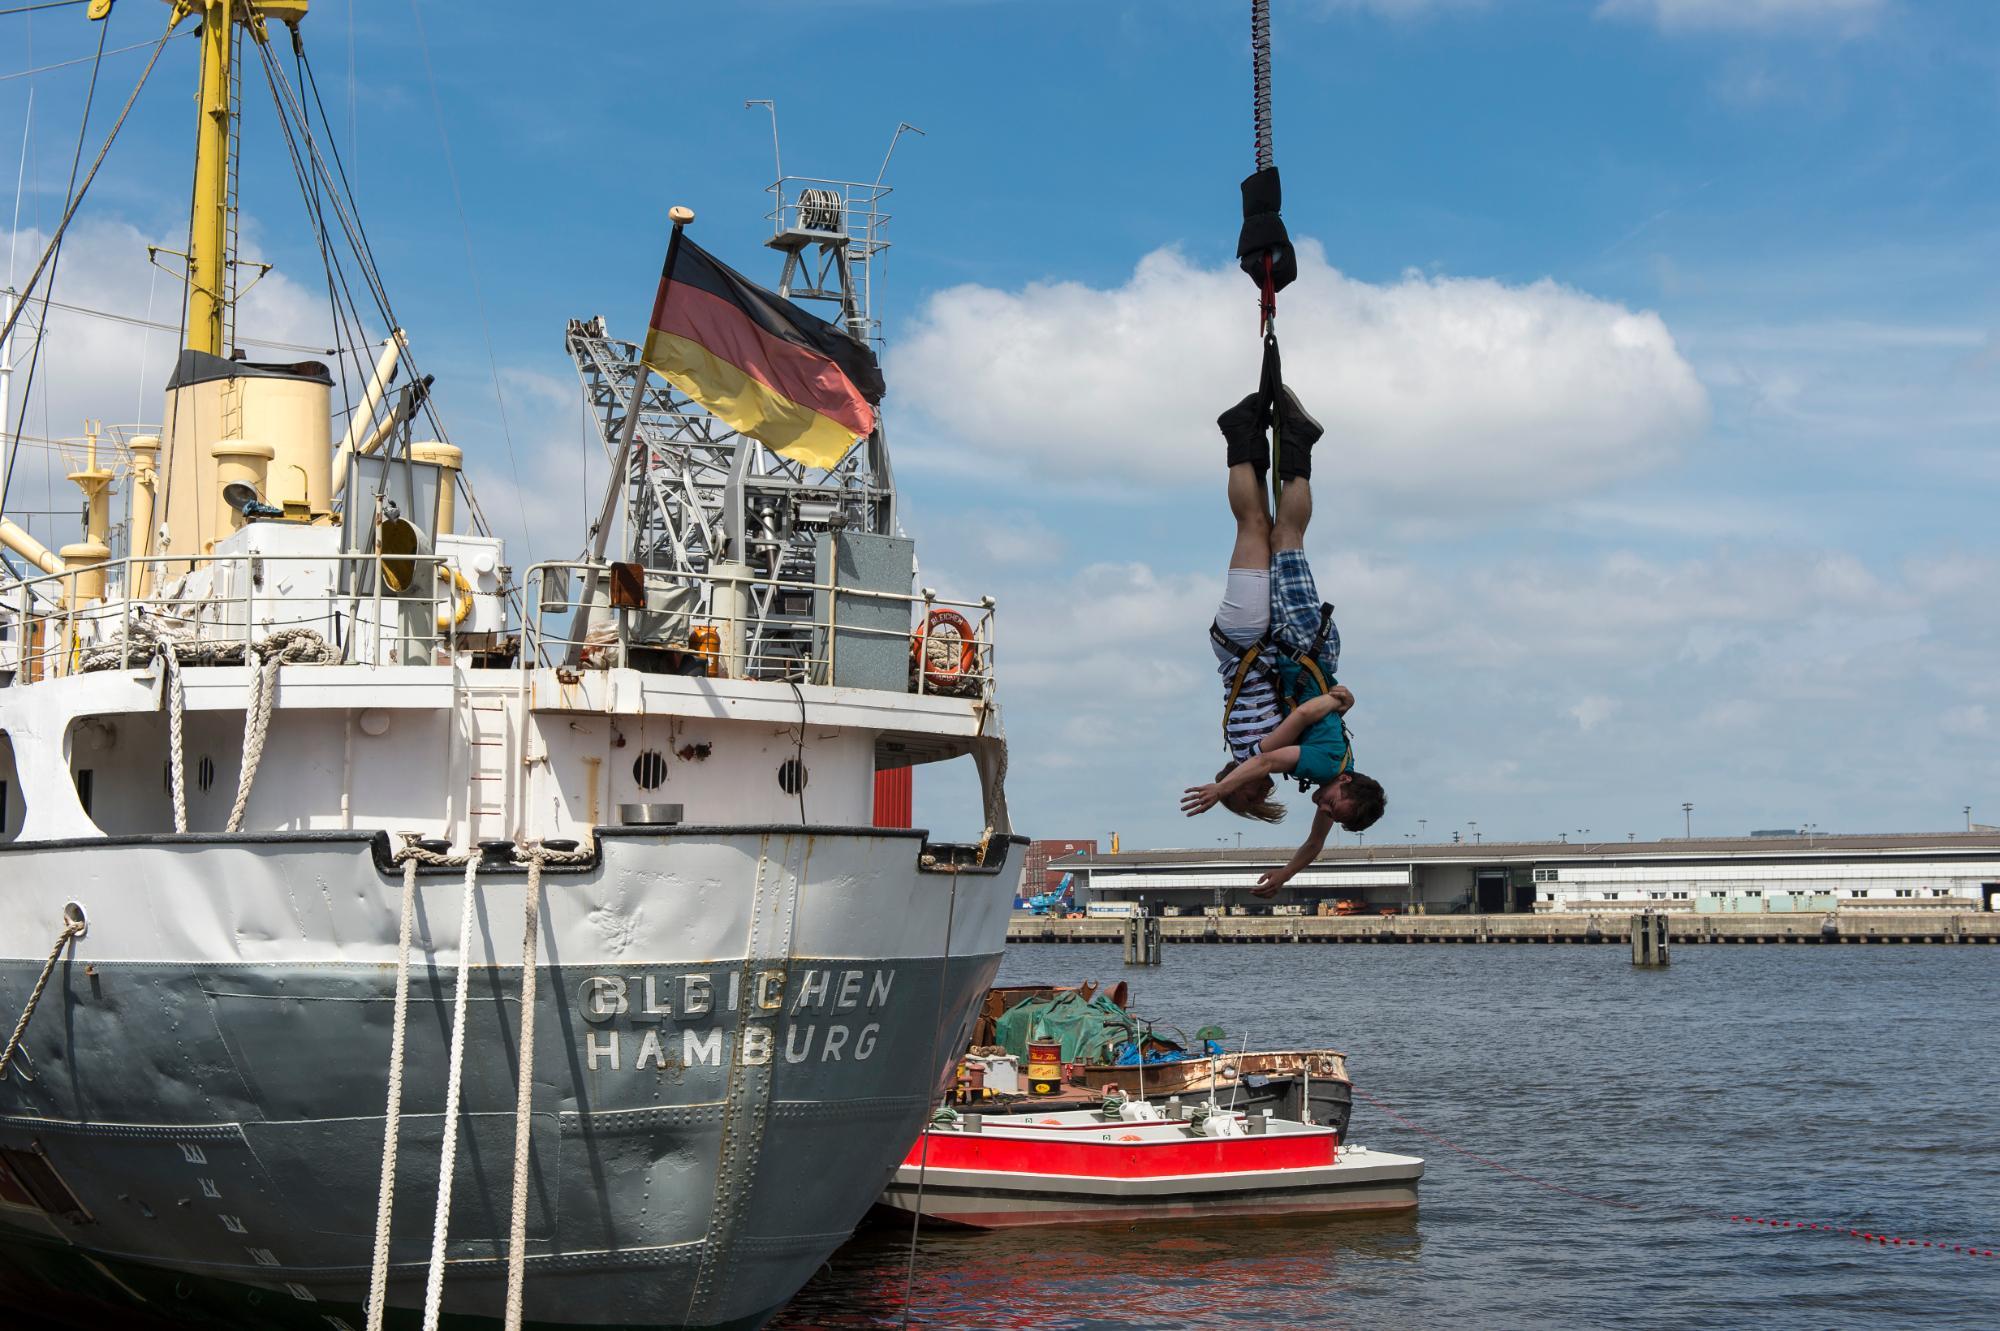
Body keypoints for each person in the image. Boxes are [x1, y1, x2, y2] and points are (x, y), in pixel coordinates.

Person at [1182, 386, 1386, 895]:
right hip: (1294, 644)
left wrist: (1286, 872)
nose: (1326, 815)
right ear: (1345, 788)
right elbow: (1280, 746)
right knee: (1278, 533)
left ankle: (1258, 438)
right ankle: (1286, 440)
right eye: (1338, 810)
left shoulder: (1325, 770)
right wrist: (1221, 790)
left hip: (1270, 642)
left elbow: (1307, 827)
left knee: (1266, 529)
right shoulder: (1316, 766)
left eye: (1249, 795)